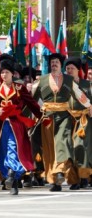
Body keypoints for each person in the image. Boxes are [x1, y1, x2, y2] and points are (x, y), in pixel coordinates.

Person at [0, 59, 47, 195]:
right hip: (2, 125)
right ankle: (12, 180)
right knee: (3, 151)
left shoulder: (19, 88)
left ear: (12, 74)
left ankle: (11, 172)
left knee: (13, 148)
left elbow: (32, 103)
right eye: (2, 72)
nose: (4, 75)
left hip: (16, 125)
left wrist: (42, 116)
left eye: (6, 72)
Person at [31, 53, 92, 191]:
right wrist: (28, 115)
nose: (54, 64)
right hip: (47, 118)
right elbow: (31, 101)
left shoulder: (69, 80)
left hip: (64, 117)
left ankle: (59, 171)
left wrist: (89, 106)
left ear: (60, 64)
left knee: (63, 144)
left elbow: (80, 95)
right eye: (52, 62)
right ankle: (56, 181)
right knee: (49, 149)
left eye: (57, 62)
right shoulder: (41, 81)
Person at [64, 57, 92, 189]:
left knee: (80, 146)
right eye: (67, 68)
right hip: (67, 119)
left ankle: (83, 176)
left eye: (72, 68)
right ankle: (74, 179)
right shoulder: (62, 85)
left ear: (78, 70)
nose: (69, 71)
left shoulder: (87, 85)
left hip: (84, 120)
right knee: (69, 149)